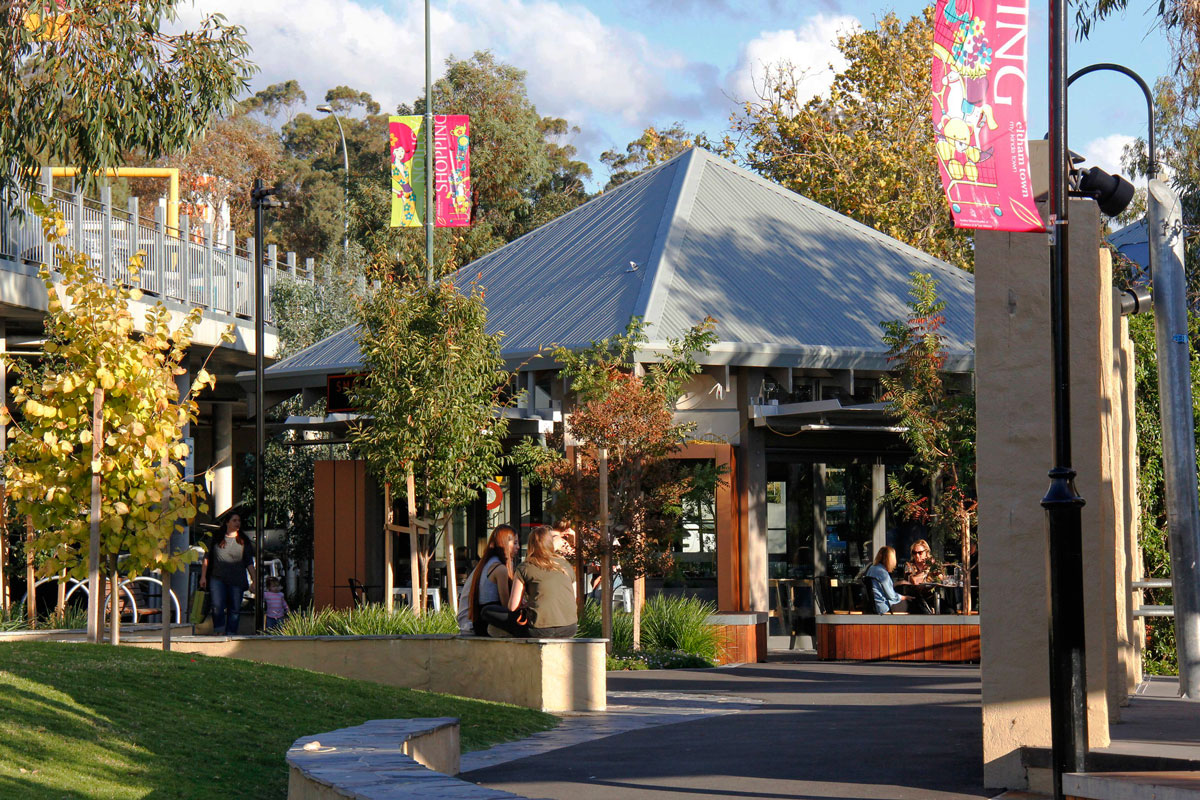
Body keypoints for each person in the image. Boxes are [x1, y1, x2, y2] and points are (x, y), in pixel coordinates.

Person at [509, 525, 578, 638]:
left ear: (530, 545)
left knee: (488, 612)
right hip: (569, 628)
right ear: (550, 543)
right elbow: (574, 596)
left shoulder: (525, 567)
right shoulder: (565, 565)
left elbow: (513, 606)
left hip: (539, 630)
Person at [457, 525, 525, 637]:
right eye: (515, 543)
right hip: (487, 624)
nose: (518, 547)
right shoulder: (500, 569)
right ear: (504, 543)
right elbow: (506, 605)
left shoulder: (486, 563)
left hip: (476, 622)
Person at [199, 513, 256, 635]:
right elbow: (206, 558)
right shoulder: (216, 538)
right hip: (217, 578)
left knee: (234, 608)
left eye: (239, 520)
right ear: (227, 523)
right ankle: (218, 630)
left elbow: (249, 563)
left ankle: (231, 633)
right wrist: (203, 576)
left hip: (237, 580)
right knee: (217, 606)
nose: (237, 523)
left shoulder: (244, 541)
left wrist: (254, 579)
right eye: (234, 520)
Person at [865, 546, 909, 614]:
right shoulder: (882, 573)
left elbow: (880, 587)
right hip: (885, 607)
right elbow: (892, 596)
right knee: (911, 604)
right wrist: (904, 597)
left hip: (875, 605)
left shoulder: (872, 568)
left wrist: (896, 583)